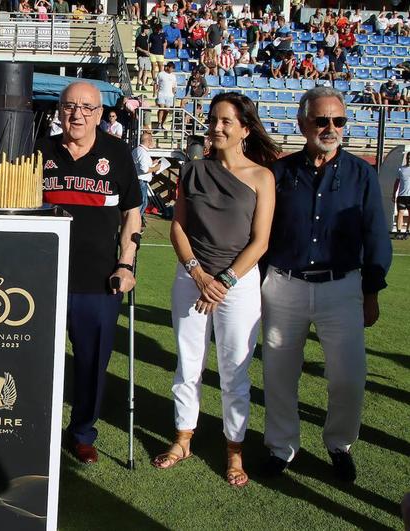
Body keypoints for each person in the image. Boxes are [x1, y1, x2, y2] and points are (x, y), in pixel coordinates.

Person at [262, 87, 392, 483]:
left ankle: (339, 444)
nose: (331, 127)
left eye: (339, 120)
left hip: (342, 288)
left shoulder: (361, 174)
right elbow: (262, 233)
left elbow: (376, 236)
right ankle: (281, 446)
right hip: (284, 285)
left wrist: (371, 291)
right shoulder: (280, 173)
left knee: (349, 376)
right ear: (303, 123)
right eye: (322, 120)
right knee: (279, 374)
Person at [151, 92, 278, 488]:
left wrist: (223, 281)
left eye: (226, 121)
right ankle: (183, 438)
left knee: (234, 371)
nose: (217, 127)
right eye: (213, 119)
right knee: (188, 364)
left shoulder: (262, 176)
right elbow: (178, 227)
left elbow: (260, 241)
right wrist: (198, 273)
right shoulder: (192, 170)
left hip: (237, 287)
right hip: (191, 280)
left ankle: (234, 449)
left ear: (245, 128)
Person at [36, 81, 141, 464]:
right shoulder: (40, 149)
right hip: (42, 279)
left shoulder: (117, 153)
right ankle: (36, 425)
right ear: (59, 110)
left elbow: (131, 212)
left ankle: (81, 432)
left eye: (86, 107)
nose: (77, 114)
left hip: (98, 280)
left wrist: (126, 263)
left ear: (99, 114)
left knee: (92, 364)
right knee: (36, 358)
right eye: (69, 106)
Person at [131, 131, 161, 221]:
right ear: (148, 141)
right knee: (141, 204)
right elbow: (144, 170)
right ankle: (134, 224)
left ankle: (135, 223)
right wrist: (156, 168)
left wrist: (152, 163)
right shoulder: (142, 152)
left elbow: (141, 167)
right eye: (152, 140)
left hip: (139, 181)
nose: (153, 142)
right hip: (141, 182)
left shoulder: (138, 150)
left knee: (142, 203)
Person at [155, 61, 177, 130]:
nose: (172, 70)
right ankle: (159, 123)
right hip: (161, 94)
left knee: (166, 110)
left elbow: (174, 86)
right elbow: (156, 84)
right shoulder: (160, 74)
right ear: (168, 67)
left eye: (173, 68)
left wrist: (173, 94)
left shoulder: (173, 76)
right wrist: (155, 93)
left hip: (169, 95)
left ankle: (162, 124)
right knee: (161, 108)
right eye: (172, 68)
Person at [395, 152, 410, 238]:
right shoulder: (401, 169)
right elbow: (397, 182)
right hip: (402, 195)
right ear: (406, 158)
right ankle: (399, 231)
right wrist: (394, 193)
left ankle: (407, 232)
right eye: (408, 158)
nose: (409, 160)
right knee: (400, 213)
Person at [135, 25, 150, 91]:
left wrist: (148, 52)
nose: (148, 31)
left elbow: (148, 45)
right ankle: (138, 83)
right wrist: (144, 51)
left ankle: (143, 85)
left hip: (147, 56)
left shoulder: (147, 37)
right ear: (144, 30)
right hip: (141, 56)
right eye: (147, 29)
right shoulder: (139, 38)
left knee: (146, 70)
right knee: (141, 68)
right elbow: (137, 47)